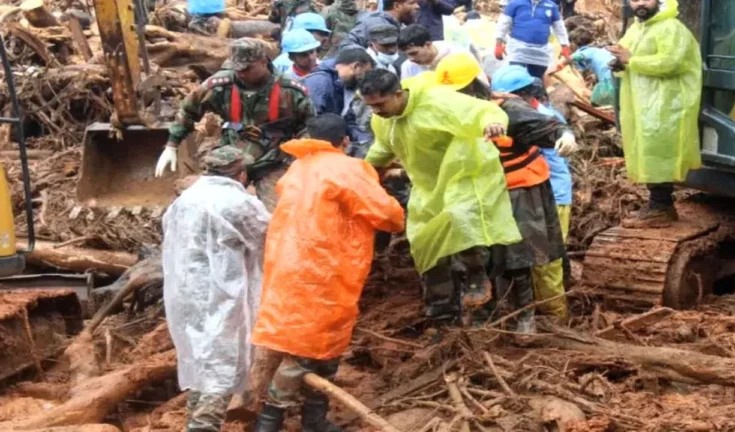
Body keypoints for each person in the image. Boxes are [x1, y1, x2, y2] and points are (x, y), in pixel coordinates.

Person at [252, 113, 405, 432]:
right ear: (345, 141)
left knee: (315, 338)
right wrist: (403, 209)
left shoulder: (298, 167)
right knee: (312, 344)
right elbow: (386, 213)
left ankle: (313, 419)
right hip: (325, 267)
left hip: (289, 262)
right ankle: (271, 420)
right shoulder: (348, 169)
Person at [360, 68, 521, 321]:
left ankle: (477, 279)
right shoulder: (383, 119)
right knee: (426, 245)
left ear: (398, 94)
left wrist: (493, 124)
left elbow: (482, 111)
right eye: (370, 106)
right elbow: (383, 147)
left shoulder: (437, 101)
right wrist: (364, 170)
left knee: (459, 220)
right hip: (426, 187)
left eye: (380, 104)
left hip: (465, 174)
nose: (376, 111)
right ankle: (441, 313)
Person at [434, 55, 572, 329]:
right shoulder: (445, 114)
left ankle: (526, 316)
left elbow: (547, 127)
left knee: (517, 253)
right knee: (478, 254)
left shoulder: (507, 108)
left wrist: (564, 136)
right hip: (476, 191)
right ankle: (485, 317)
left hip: (518, 188)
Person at [163, 146, 271, 432]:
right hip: (222, 292)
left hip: (185, 292)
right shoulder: (238, 203)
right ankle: (202, 426)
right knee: (222, 361)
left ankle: (193, 422)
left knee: (201, 359)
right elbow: (267, 237)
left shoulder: (186, 199)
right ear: (242, 173)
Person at [155, 38, 315, 212]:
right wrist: (172, 144)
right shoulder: (220, 85)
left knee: (279, 214)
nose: (241, 73)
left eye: (247, 68)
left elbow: (308, 126)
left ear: (263, 62)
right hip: (229, 158)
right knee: (210, 210)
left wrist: (300, 158)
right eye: (236, 68)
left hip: (273, 158)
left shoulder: (290, 91)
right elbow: (188, 110)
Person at [606, 0, 701, 228]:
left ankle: (661, 205)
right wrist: (618, 64)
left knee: (659, 151)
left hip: (666, 104)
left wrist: (631, 60)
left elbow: (670, 62)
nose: (640, 3)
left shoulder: (671, 27)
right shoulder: (636, 29)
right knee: (647, 150)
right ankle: (659, 204)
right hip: (642, 104)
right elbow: (627, 60)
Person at [494, 65, 573, 318]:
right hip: (524, 194)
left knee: (547, 261)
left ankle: (555, 315)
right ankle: (533, 309)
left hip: (552, 194)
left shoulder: (541, 118)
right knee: (527, 258)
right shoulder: (504, 116)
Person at [302, 48, 376, 156]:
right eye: (366, 72)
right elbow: (315, 122)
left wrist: (363, 139)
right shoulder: (320, 82)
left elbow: (348, 119)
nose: (364, 78)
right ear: (356, 66)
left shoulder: (344, 84)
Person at [494, 0, 570, 80]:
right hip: (518, 51)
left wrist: (564, 45)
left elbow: (559, 27)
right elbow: (503, 24)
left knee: (537, 82)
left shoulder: (552, 6)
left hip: (541, 54)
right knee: (516, 79)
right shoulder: (514, 3)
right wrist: (498, 44)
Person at [557, 26, 615, 106]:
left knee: (596, 101)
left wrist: (559, 65)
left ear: (573, 44)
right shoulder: (600, 50)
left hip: (609, 79)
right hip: (617, 76)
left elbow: (574, 57)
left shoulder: (587, 51)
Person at [398, 24, 478, 79]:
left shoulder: (458, 55)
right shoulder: (407, 66)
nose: (411, 59)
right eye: (406, 55)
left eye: (414, 53)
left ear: (428, 44)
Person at [341, 0, 420, 50]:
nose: (417, 7)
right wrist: (368, 60)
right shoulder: (374, 22)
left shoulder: (401, 25)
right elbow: (347, 45)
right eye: (412, 3)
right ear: (396, 6)